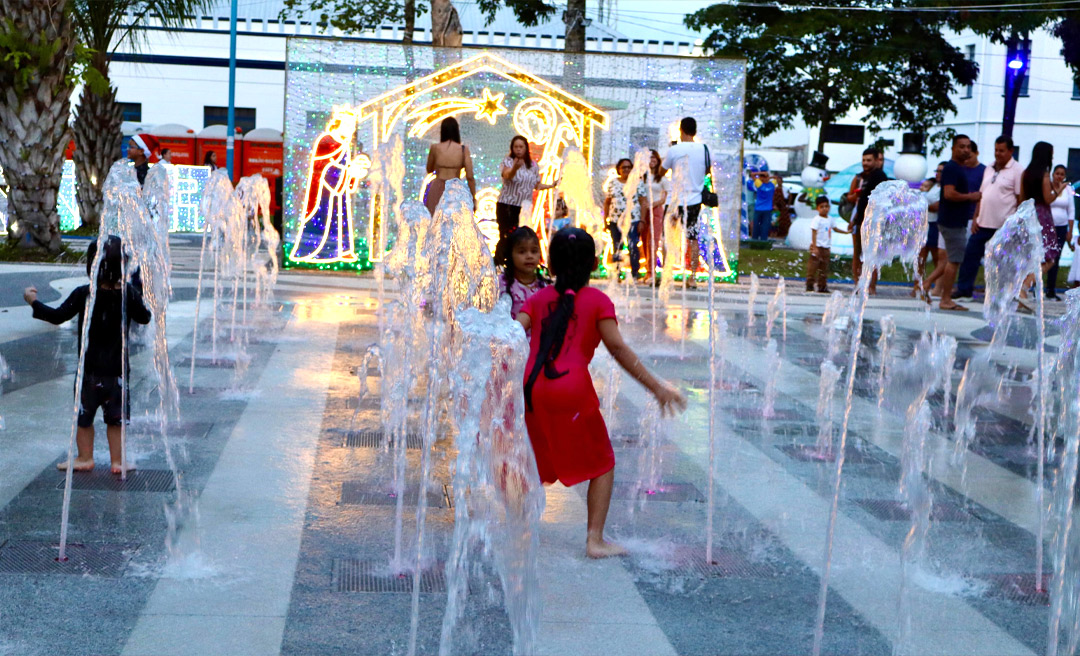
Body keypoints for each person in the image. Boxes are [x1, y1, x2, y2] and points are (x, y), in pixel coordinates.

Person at [516, 227, 686, 558]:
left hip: (532, 389)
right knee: (603, 463)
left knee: (532, 460)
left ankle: (517, 527)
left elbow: (509, 335)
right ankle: (595, 540)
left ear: (550, 263)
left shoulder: (537, 299)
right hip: (572, 390)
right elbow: (618, 349)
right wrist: (657, 387)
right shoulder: (598, 301)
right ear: (594, 264)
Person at [23, 236, 151, 474]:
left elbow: (57, 316)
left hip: (89, 372)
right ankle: (117, 461)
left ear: (92, 265)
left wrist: (33, 302)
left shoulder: (85, 293)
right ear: (124, 265)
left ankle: (84, 457)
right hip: (117, 373)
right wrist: (139, 294)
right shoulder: (128, 294)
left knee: (84, 417)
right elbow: (145, 317)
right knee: (116, 420)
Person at [955, 136, 1022, 299]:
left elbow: (1020, 198)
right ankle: (964, 289)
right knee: (970, 256)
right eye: (996, 150)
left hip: (1003, 226)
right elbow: (982, 194)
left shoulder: (1018, 170)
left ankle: (999, 293)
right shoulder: (989, 168)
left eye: (1001, 151)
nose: (998, 154)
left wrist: (1016, 224)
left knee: (1001, 261)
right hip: (983, 222)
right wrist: (976, 217)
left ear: (1010, 151)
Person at [922, 134, 980, 311]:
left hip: (953, 221)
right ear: (953, 148)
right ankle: (945, 299)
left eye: (968, 147)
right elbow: (948, 194)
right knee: (954, 261)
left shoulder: (957, 168)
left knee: (949, 259)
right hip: (952, 222)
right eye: (961, 146)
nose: (965, 150)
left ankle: (926, 284)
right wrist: (970, 197)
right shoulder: (952, 169)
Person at [658, 117, 709, 285]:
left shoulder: (675, 149)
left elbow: (661, 171)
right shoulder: (704, 149)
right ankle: (692, 277)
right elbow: (706, 171)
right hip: (694, 200)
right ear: (695, 130)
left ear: (681, 130)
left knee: (668, 237)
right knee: (693, 238)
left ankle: (667, 275)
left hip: (674, 200)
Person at [494, 136, 558, 264]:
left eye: (521, 147)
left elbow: (536, 185)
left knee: (519, 236)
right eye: (516, 147)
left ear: (526, 148)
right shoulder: (508, 161)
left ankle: (510, 263)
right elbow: (507, 175)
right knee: (507, 236)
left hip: (523, 206)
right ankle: (499, 263)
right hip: (507, 205)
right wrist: (515, 168)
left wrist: (551, 185)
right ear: (512, 148)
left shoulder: (533, 165)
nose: (518, 149)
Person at [1020, 141, 1061, 299]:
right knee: (1049, 257)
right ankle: (1025, 286)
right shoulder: (1044, 174)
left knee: (1029, 256)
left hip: (1027, 214)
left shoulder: (1025, 173)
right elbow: (1048, 198)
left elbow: (1021, 198)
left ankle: (1021, 288)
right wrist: (1057, 191)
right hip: (1042, 216)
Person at [603, 158, 648, 280]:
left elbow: (643, 202)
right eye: (624, 167)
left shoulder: (637, 182)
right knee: (616, 246)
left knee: (633, 245)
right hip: (615, 220)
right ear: (619, 169)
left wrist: (642, 220)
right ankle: (617, 273)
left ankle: (635, 273)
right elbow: (607, 202)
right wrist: (605, 219)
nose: (626, 169)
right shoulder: (613, 183)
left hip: (633, 220)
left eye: (629, 167)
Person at [851, 147, 888, 294]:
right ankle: (860, 284)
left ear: (876, 161)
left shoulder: (878, 176)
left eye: (869, 160)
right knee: (859, 254)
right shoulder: (864, 177)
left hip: (873, 221)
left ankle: (871, 286)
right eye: (863, 160)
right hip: (861, 220)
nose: (865, 163)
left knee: (871, 255)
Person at [425, 117, 475, 215]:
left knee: (435, 219)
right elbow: (470, 176)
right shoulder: (463, 149)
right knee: (456, 219)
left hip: (437, 188)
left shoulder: (435, 148)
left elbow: (429, 169)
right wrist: (473, 197)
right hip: (455, 188)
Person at [500, 226, 549, 323]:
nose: (529, 256)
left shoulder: (544, 287)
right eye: (522, 252)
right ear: (510, 255)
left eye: (534, 251)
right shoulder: (500, 284)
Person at [913, 162, 947, 298]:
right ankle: (918, 285)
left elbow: (937, 206)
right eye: (937, 171)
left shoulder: (944, 188)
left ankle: (938, 286)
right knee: (920, 257)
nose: (938, 174)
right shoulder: (933, 187)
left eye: (941, 171)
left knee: (937, 257)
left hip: (935, 224)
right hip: (925, 223)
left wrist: (922, 206)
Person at [807, 196, 848, 293]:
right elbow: (814, 232)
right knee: (813, 267)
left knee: (824, 268)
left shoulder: (830, 219)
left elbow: (835, 228)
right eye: (822, 207)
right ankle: (809, 285)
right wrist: (814, 247)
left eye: (826, 206)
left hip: (826, 248)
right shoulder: (817, 219)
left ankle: (822, 286)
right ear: (817, 208)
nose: (824, 209)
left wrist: (846, 232)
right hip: (818, 247)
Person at [1047, 165, 1076, 300]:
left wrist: (1070, 230)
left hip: (1061, 228)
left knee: (1055, 258)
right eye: (1057, 173)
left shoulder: (1068, 189)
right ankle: (1035, 287)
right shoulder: (1047, 187)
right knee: (1044, 258)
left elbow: (1071, 211)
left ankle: (1051, 290)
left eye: (1062, 174)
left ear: (1064, 176)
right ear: (1053, 175)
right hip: (1047, 227)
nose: (1059, 176)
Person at [641, 150, 669, 284]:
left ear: (658, 161)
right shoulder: (642, 177)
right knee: (644, 240)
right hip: (642, 211)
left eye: (654, 158)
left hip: (656, 210)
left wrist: (653, 204)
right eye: (649, 158)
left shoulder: (662, 178)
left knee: (653, 241)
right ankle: (648, 270)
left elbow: (665, 198)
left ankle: (651, 272)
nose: (652, 160)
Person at [746, 170, 775, 240]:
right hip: (767, 209)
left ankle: (755, 239)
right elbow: (776, 178)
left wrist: (760, 174)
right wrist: (768, 176)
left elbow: (752, 175)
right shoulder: (772, 185)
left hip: (758, 209)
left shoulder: (759, 184)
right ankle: (763, 240)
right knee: (765, 226)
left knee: (756, 226)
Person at [964, 141, 987, 228]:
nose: (966, 161)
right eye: (964, 158)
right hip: (961, 215)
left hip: (975, 216)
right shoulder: (961, 170)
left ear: (976, 153)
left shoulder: (985, 171)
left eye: (969, 157)